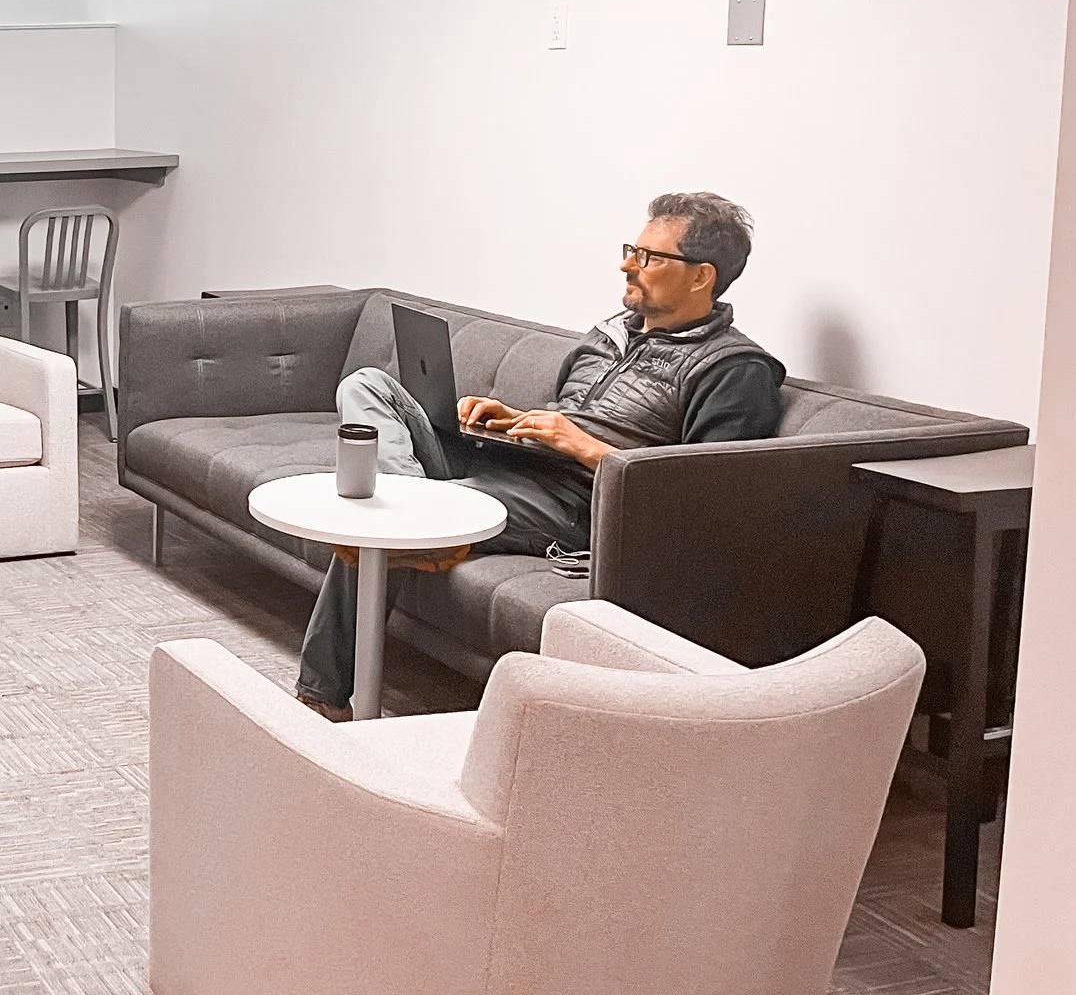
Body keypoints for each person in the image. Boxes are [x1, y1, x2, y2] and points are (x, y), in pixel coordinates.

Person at [296, 191, 787, 717]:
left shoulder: (735, 370)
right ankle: (421, 508)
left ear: (701, 276)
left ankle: (322, 695)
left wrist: (584, 447)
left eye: (648, 257)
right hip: (513, 464)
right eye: (632, 249)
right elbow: (572, 411)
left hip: (572, 502)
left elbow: (705, 499)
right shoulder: (610, 335)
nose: (627, 264)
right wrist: (514, 420)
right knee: (368, 385)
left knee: (383, 521)